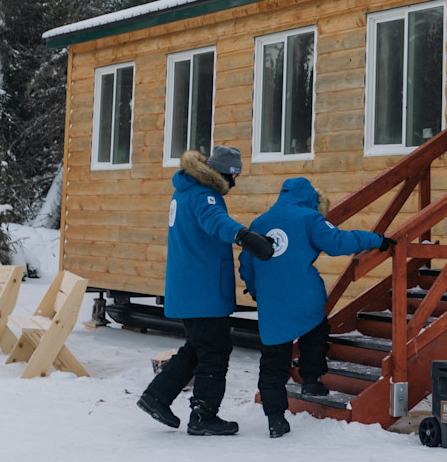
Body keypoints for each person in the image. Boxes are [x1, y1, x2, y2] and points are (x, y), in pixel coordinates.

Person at [137, 145, 276, 436]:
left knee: (198, 347)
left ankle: (157, 396)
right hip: (203, 289)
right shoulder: (204, 194)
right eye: (233, 176)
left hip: (189, 286)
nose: (233, 183)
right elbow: (216, 222)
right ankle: (203, 415)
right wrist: (244, 235)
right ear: (225, 172)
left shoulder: (185, 190)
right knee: (214, 350)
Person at [240, 178, 389, 438]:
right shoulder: (310, 217)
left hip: (272, 301)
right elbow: (338, 242)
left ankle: (275, 417)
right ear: (311, 197)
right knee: (315, 333)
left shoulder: (259, 222)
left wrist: (256, 292)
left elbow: (247, 264)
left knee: (273, 359)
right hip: (304, 296)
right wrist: (376, 240)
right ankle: (311, 381)